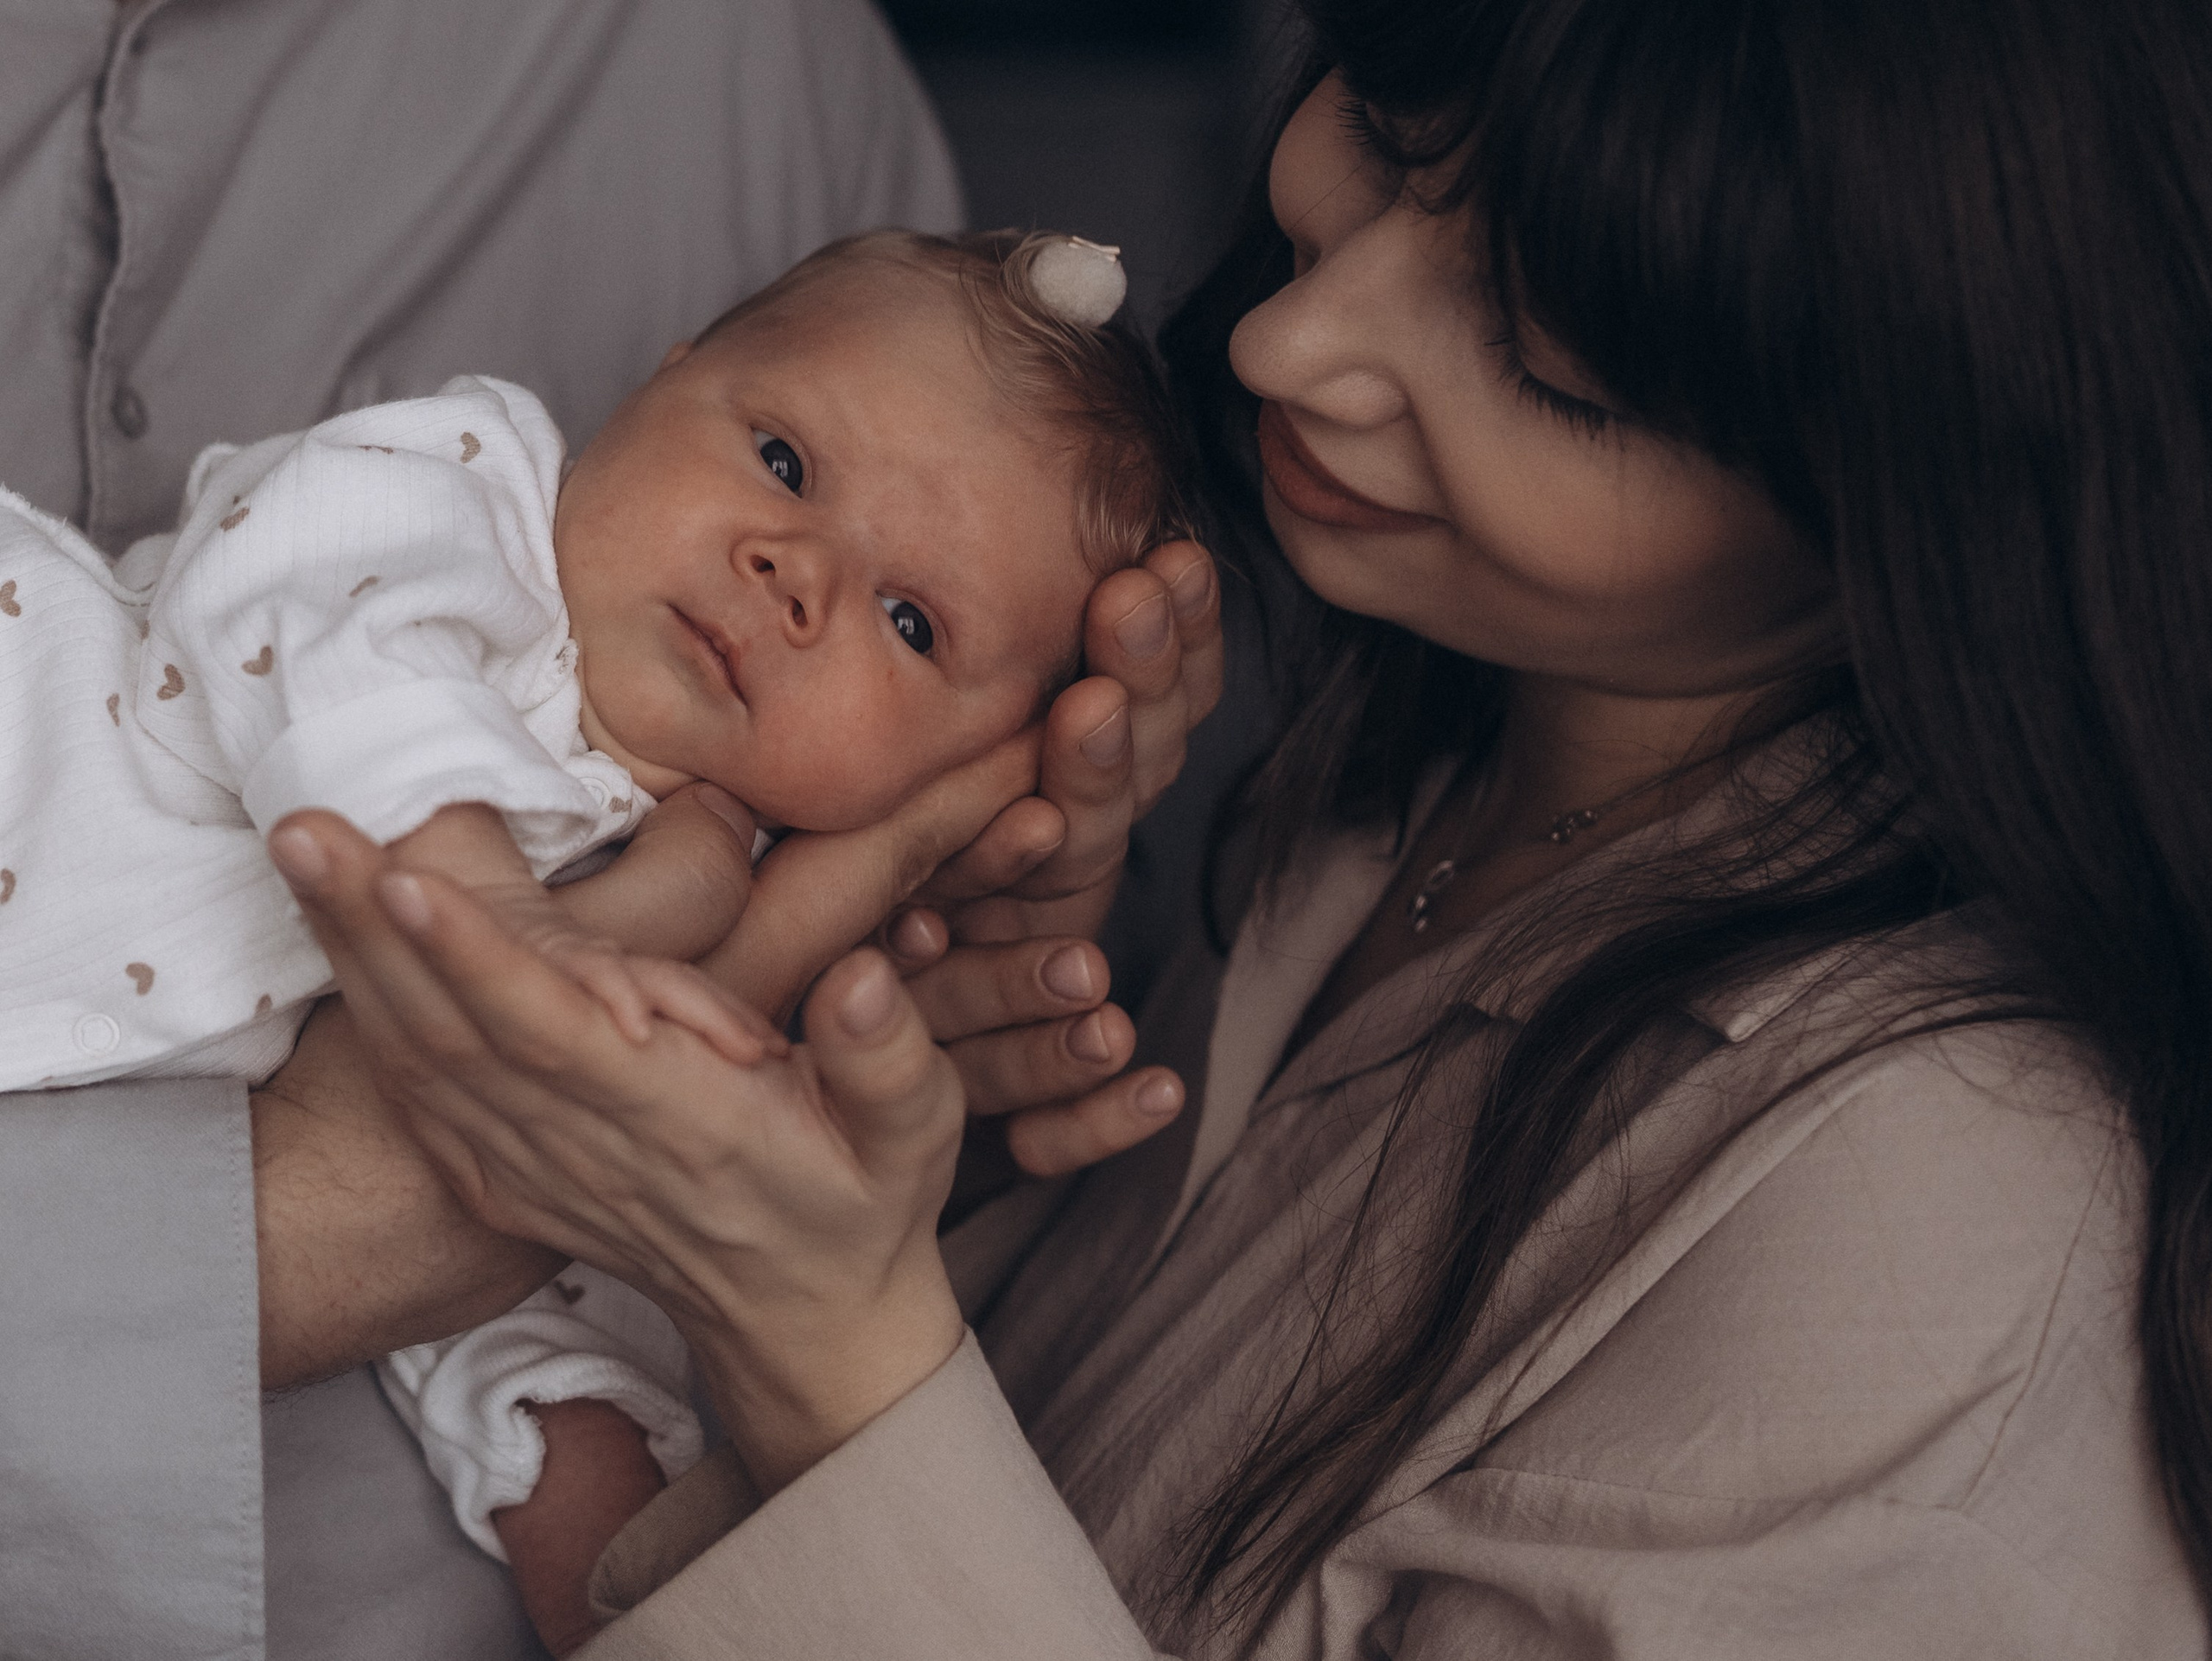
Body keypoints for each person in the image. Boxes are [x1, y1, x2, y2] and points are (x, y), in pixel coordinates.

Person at [278, 0, 2212, 1654]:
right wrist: (897, 1117)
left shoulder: (1933, 1242)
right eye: (1380, 132)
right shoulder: (1410, 796)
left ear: (1924, 518)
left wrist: (822, 1331)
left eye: (1547, 371)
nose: (1293, 343)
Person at [0, 5, 1220, 1657]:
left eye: (914, 624)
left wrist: (594, 1532)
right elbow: (295, 597)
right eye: (781, 457)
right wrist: (479, 914)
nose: (800, 570)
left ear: (962, 783)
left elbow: (516, 1288)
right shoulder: (467, 503)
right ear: (660, 388)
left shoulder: (671, 954)